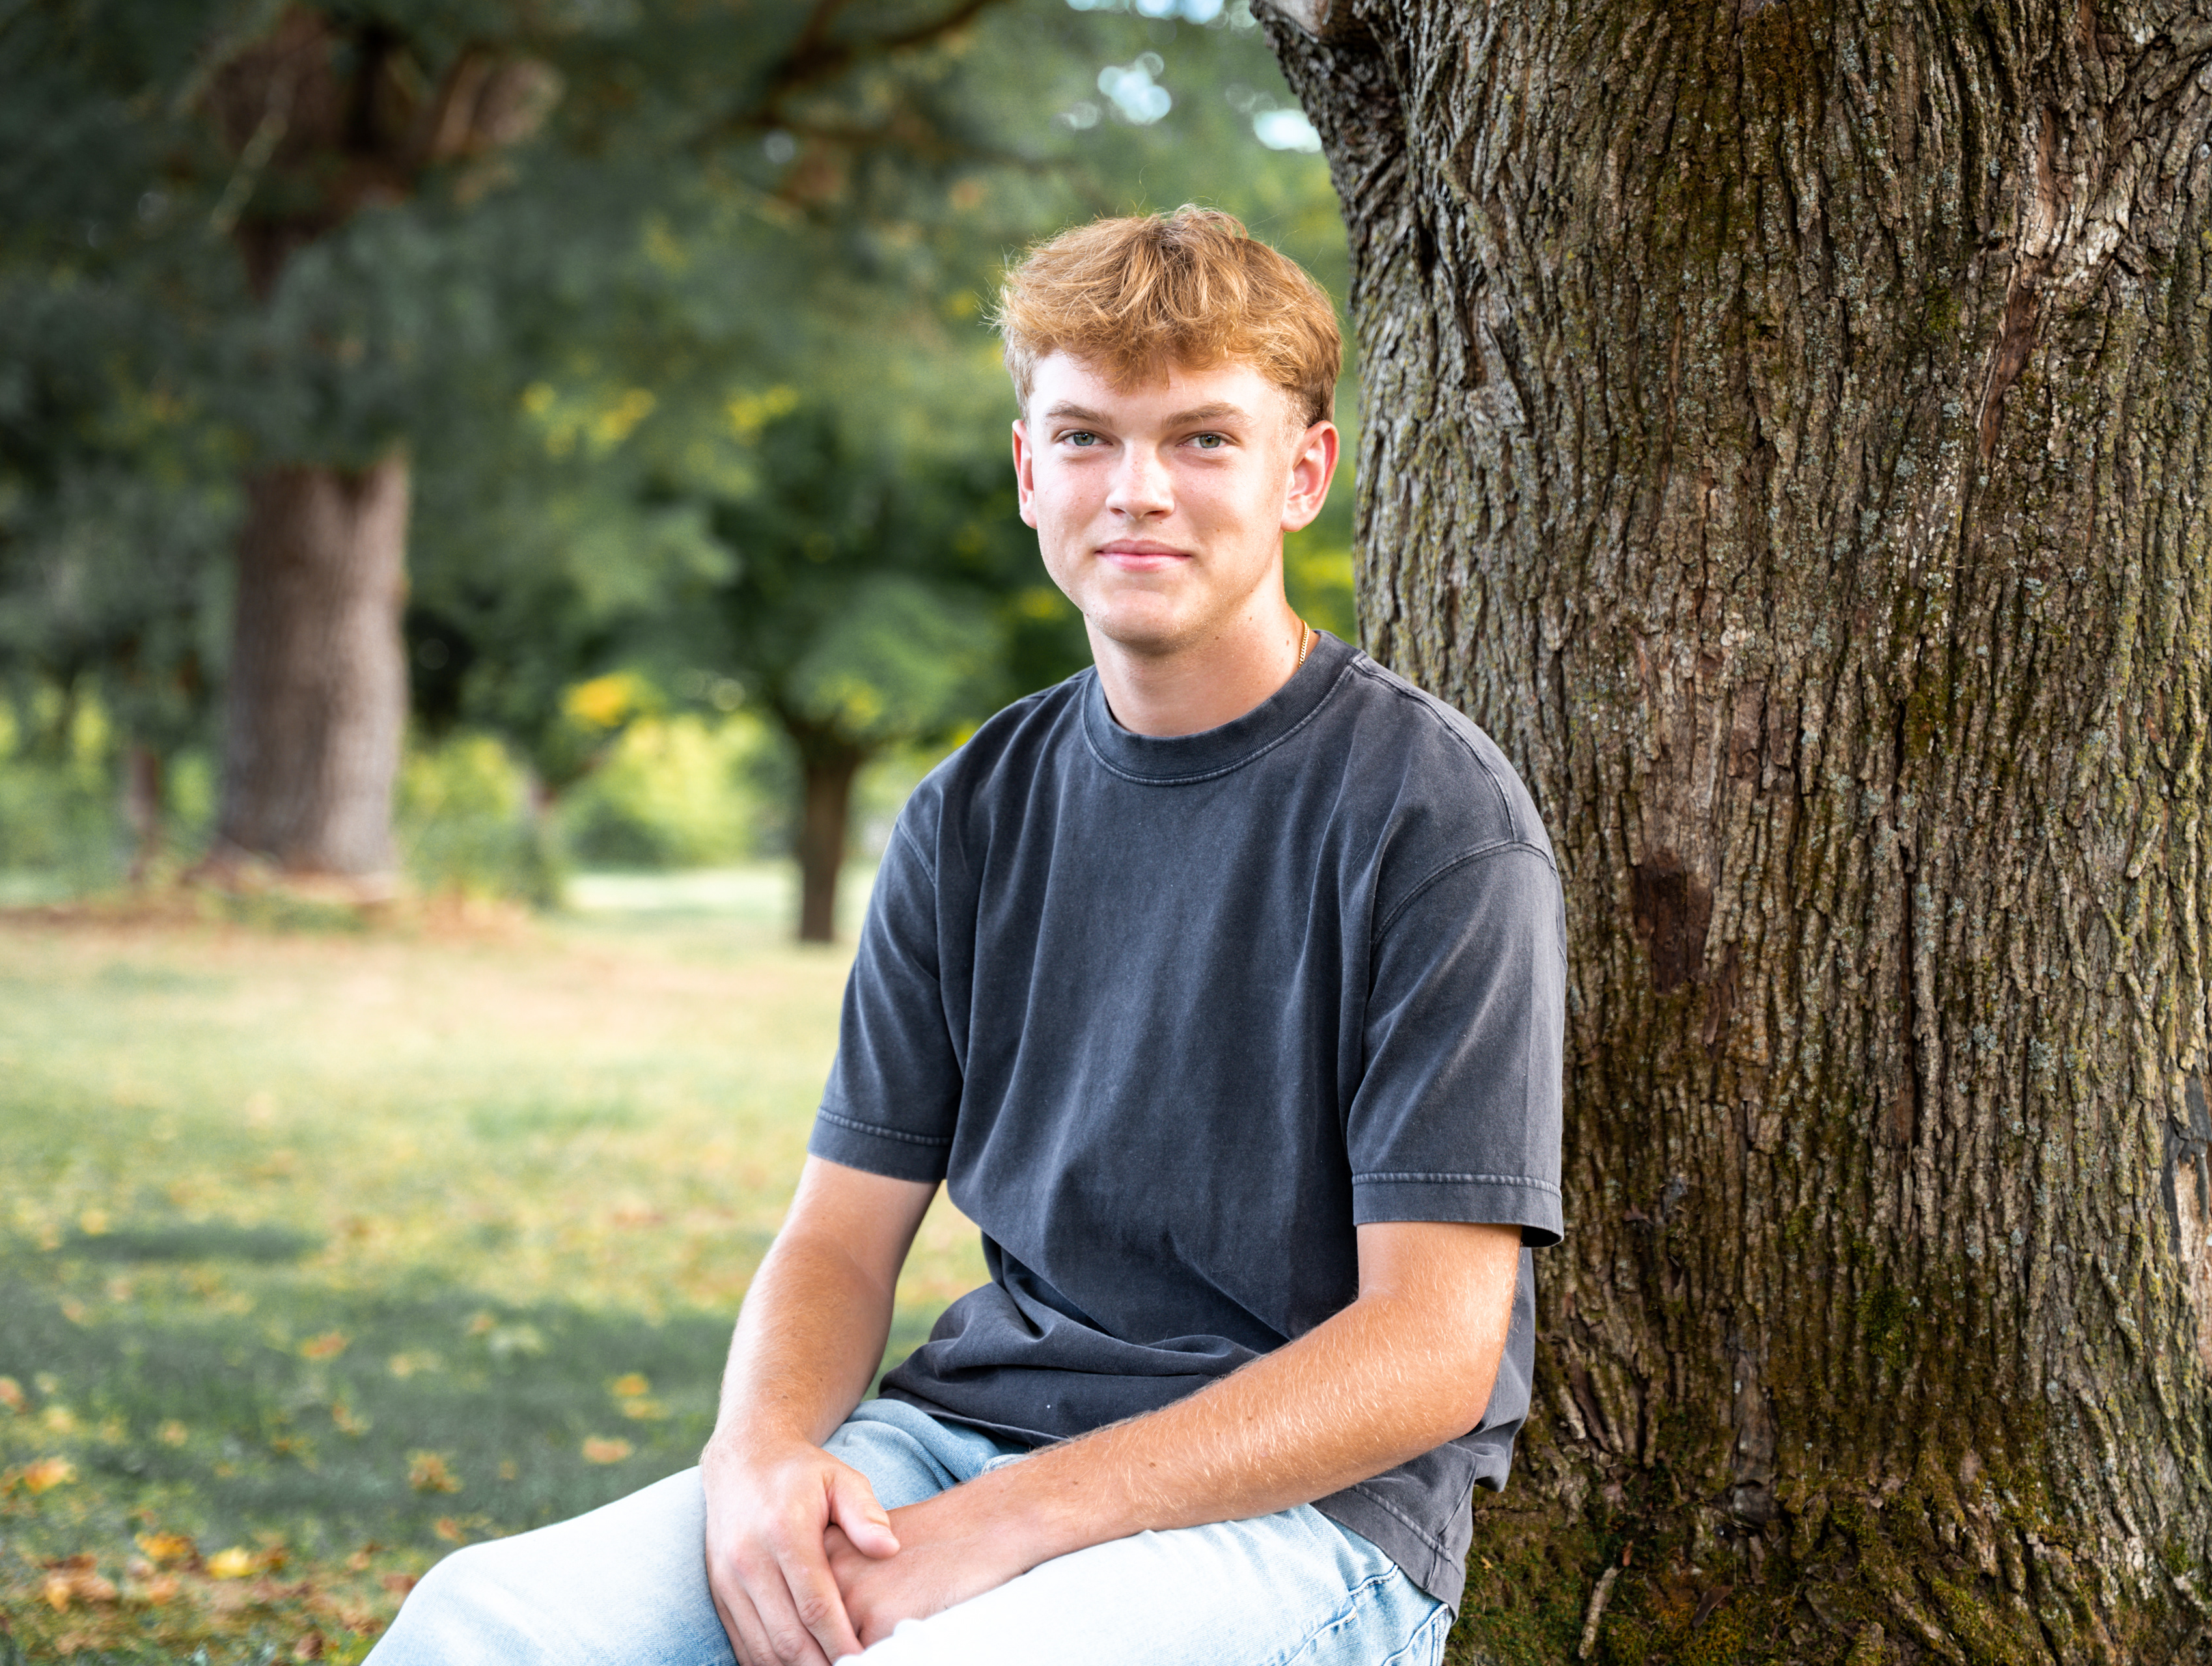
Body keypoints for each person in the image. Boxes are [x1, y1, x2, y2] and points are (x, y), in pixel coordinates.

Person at [368, 205, 1565, 1666]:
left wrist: (1010, 1528)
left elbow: (1430, 1353)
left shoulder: (1435, 819)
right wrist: (757, 1461)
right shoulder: (971, 810)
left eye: (1202, 439)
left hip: (1296, 1517)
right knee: (481, 1623)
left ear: (1302, 473)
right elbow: (837, 1234)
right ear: (1027, 471)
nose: (1137, 492)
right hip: (953, 1443)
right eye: (1085, 438)